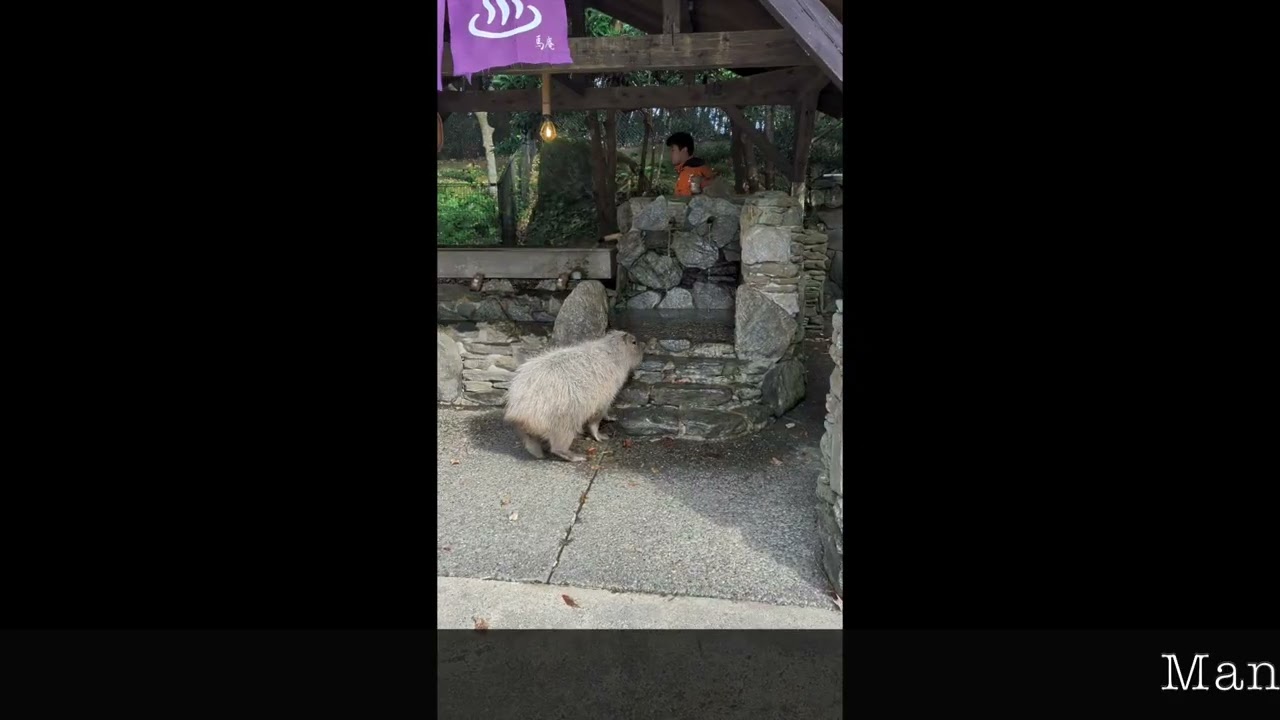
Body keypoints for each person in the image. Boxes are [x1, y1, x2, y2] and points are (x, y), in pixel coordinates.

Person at [665, 132, 716, 197]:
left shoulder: (689, 173)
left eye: (673, 150)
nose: (671, 154)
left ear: (684, 150)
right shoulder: (700, 167)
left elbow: (682, 202)